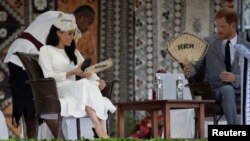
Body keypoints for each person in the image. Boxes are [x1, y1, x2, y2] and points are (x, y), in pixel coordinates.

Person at [4, 5, 96, 138]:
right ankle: (60, 138)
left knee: (33, 107)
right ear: (81, 17)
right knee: (42, 103)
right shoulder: (63, 21)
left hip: (24, 59)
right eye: (89, 22)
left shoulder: (56, 17)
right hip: (24, 60)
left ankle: (35, 138)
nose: (88, 28)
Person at [38, 13, 116, 139]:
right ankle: (98, 127)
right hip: (57, 89)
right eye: (69, 33)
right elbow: (48, 76)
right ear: (58, 33)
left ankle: (100, 129)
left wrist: (98, 80)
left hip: (75, 89)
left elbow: (88, 71)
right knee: (85, 84)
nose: (72, 37)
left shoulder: (74, 52)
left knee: (89, 84)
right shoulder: (46, 50)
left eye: (73, 33)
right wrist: (73, 72)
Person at [183, 7, 250, 124]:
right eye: (217, 26)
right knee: (227, 90)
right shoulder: (208, 43)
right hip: (215, 91)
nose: (218, 30)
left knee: (232, 91)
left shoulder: (246, 46)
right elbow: (196, 68)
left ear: (233, 26)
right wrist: (189, 70)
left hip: (241, 92)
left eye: (222, 27)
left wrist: (236, 78)